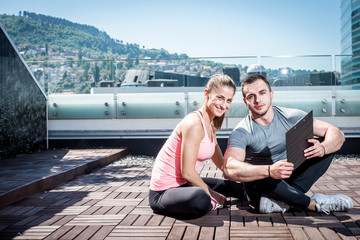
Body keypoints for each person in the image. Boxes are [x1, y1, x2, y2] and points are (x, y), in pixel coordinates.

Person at [223, 74, 353, 214]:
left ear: (271, 95)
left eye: (262, 93)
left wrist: (323, 148)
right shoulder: (242, 131)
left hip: (289, 181)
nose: (258, 100)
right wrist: (269, 170)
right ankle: (315, 205)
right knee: (259, 173)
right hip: (261, 189)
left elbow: (337, 134)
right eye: (251, 96)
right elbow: (228, 168)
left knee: (326, 146)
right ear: (245, 101)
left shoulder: (291, 117)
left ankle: (283, 202)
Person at [149, 74, 245, 219]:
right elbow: (187, 172)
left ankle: (267, 197)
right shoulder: (194, 124)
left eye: (229, 100)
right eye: (220, 97)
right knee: (200, 197)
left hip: (184, 185)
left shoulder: (210, 127)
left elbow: (222, 164)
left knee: (237, 188)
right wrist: (212, 195)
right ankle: (210, 202)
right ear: (207, 94)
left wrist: (248, 175)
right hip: (163, 193)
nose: (224, 105)